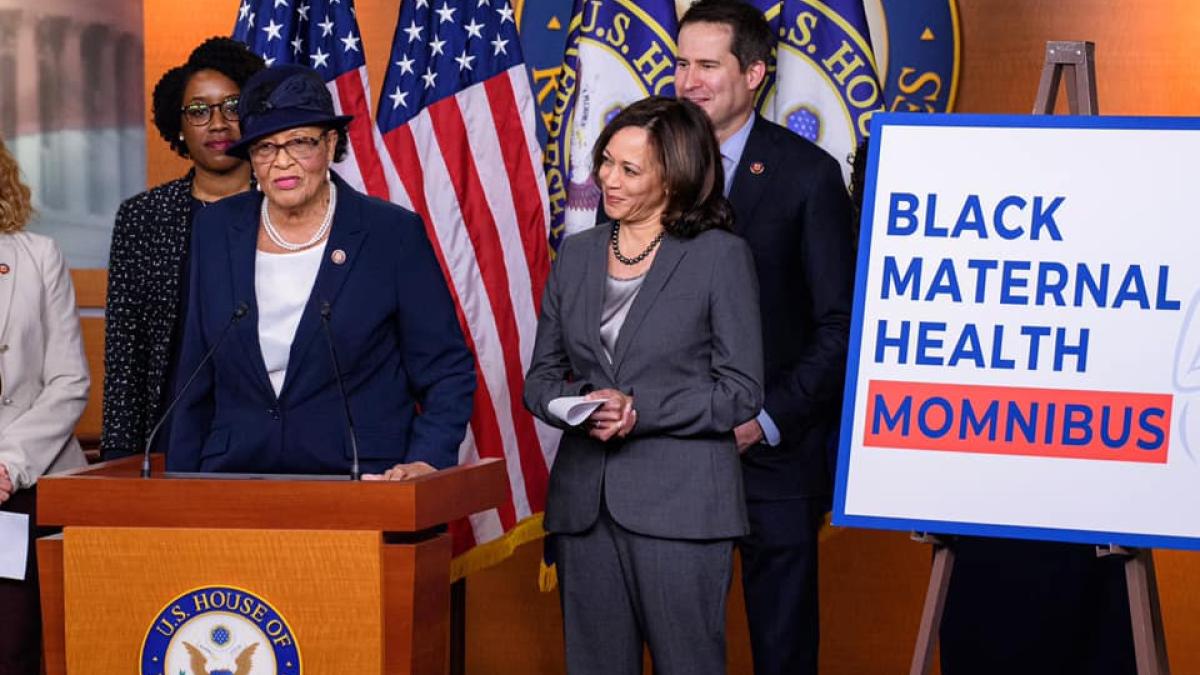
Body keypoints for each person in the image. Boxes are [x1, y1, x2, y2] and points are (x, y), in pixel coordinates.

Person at [525, 96, 764, 674]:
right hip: (584, 508)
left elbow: (741, 390)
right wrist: (576, 406)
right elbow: (540, 379)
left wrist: (641, 410)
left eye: (629, 170)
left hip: (683, 509)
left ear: (675, 178)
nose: (607, 178)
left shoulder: (719, 257)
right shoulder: (577, 254)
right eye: (606, 161)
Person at [166, 64, 474, 479]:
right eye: (265, 148)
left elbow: (445, 370)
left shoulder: (390, 234)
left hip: (358, 475)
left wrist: (426, 459)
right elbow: (194, 374)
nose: (282, 162)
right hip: (234, 475)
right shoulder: (215, 230)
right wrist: (179, 491)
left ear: (330, 145)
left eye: (299, 143)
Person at [674, 2, 856, 673]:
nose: (688, 81)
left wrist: (767, 418)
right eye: (681, 63)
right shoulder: (653, 169)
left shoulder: (806, 176)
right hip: (672, 459)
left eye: (707, 65)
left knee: (782, 651)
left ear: (754, 73)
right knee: (680, 649)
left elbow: (838, 325)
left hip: (775, 463)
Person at [102, 37, 264, 460]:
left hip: (267, 430)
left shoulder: (283, 207)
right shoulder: (144, 217)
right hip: (172, 429)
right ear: (178, 125)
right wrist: (121, 457)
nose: (217, 123)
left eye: (232, 106)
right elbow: (126, 348)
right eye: (198, 111)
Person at [0, 137, 89, 673]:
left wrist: (7, 462)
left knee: (15, 650)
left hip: (26, 487)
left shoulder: (37, 256)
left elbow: (69, 381)